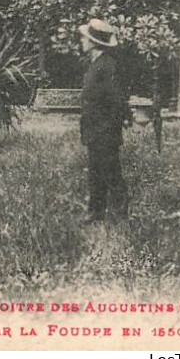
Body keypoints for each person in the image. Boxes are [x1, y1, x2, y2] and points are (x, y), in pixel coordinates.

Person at [79, 16, 130, 224]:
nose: (81, 41)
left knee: (110, 172)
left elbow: (116, 100)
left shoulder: (108, 66)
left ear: (93, 42)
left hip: (105, 129)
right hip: (93, 128)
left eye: (84, 38)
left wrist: (111, 126)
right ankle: (96, 211)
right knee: (95, 172)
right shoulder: (95, 64)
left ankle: (120, 214)